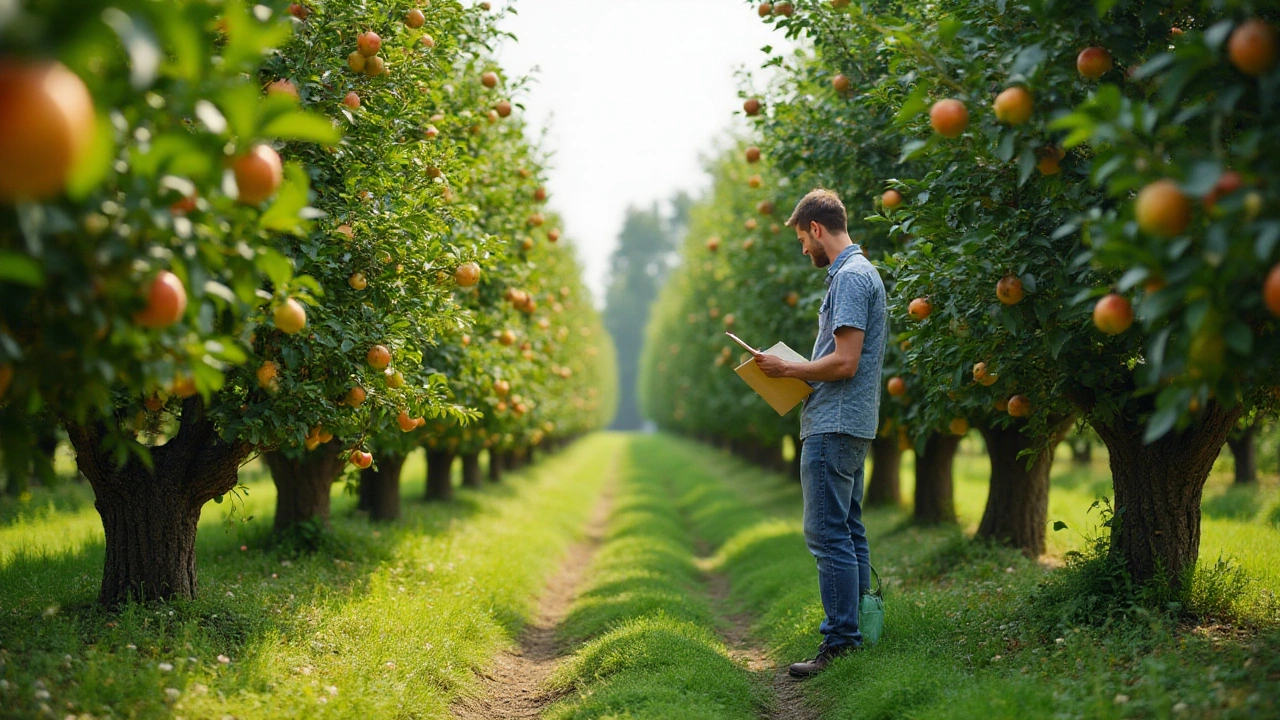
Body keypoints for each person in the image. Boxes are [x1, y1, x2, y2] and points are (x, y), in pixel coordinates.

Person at [752, 189, 888, 679]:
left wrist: (789, 371)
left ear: (815, 228)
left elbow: (846, 362)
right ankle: (856, 634)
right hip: (847, 423)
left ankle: (841, 642)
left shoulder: (850, 277)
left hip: (834, 424)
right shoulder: (857, 273)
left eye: (800, 239)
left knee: (828, 534)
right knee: (848, 530)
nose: (802, 251)